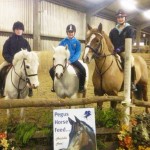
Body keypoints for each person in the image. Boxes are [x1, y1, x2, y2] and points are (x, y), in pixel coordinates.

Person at [49, 24, 86, 93]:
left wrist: (70, 61)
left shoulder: (77, 42)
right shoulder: (63, 41)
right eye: (69, 32)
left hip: (73, 60)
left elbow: (78, 53)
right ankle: (54, 85)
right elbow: (58, 51)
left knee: (83, 70)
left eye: (72, 32)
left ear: (74, 32)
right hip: (63, 61)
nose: (70, 33)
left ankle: (81, 87)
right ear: (67, 32)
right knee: (51, 71)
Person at [0, 21, 33, 97]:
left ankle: (30, 89)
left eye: (20, 29)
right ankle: (1, 89)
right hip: (10, 61)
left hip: (22, 63)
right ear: (14, 30)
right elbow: (5, 53)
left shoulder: (25, 42)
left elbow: (29, 53)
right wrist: (11, 60)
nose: (19, 31)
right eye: (17, 29)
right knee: (0, 70)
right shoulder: (9, 41)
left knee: (30, 72)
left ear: (22, 30)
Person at [109, 9, 137, 91]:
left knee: (130, 61)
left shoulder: (130, 29)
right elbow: (110, 41)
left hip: (125, 51)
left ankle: (132, 83)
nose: (120, 19)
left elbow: (131, 41)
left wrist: (120, 49)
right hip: (114, 51)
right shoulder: (113, 31)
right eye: (118, 17)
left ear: (125, 18)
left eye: (122, 17)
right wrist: (112, 49)